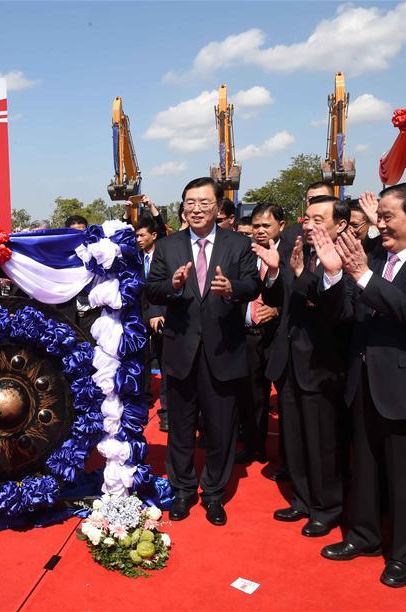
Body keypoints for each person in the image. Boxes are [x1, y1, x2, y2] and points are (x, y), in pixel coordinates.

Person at [317, 183, 406, 588]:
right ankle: (364, 536)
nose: (379, 225)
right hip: (364, 381)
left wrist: (363, 276)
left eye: (388, 217)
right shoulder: (373, 255)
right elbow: (347, 315)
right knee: (366, 470)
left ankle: (402, 556)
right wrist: (336, 276)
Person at [146, 177, 262, 526]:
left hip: (223, 352)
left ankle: (214, 493)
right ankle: (182, 490)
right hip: (181, 352)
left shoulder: (238, 245)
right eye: (190, 202)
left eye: (204, 202)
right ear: (183, 207)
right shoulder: (168, 247)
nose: (196, 209)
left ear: (217, 207)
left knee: (220, 428)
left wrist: (232, 289)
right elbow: (152, 290)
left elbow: (252, 283)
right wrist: (174, 286)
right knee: (179, 428)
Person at [262, 196, 351, 538]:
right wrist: (275, 272)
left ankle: (326, 508)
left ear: (340, 224)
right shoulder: (297, 251)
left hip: (322, 363)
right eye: (308, 218)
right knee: (295, 438)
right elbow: (279, 297)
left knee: (322, 441)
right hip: (290, 360)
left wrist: (301, 276)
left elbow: (335, 309)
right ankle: (301, 498)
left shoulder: (345, 256)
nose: (310, 225)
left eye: (319, 219)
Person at [235, 203, 283, 466]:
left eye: (267, 225)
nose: (260, 231)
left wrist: (276, 310)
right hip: (247, 335)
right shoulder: (245, 255)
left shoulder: (289, 255)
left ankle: (284, 455)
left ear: (281, 226)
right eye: (256, 226)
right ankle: (253, 445)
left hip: (275, 336)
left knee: (279, 397)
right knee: (251, 394)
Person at [136, 215, 168, 431]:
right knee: (142, 359)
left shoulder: (165, 254)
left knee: (165, 362)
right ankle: (143, 399)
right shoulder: (135, 257)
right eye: (136, 235)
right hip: (139, 315)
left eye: (142, 235)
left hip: (162, 316)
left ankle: (166, 411)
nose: (138, 239)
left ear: (154, 236)